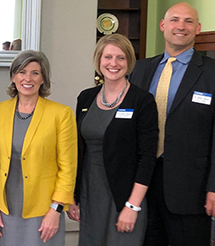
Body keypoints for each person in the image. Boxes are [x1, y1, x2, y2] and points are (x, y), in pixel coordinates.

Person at [129, 2, 215, 245]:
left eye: (188, 21)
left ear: (198, 28)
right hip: (142, 184)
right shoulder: (142, 69)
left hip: (192, 190)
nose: (181, 26)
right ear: (163, 25)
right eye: (175, 20)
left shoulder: (211, 73)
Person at [67, 33, 158, 246]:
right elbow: (77, 150)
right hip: (90, 196)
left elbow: (147, 158)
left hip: (124, 198)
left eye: (120, 58)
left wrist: (132, 206)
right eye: (107, 57)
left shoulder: (142, 101)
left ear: (129, 62)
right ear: (99, 61)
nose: (113, 64)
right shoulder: (86, 98)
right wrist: (73, 195)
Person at [0, 50, 77, 246]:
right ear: (13, 76)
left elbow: (68, 168)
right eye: (22, 72)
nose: (28, 78)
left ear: (43, 79)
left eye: (35, 73)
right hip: (5, 209)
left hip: (44, 211)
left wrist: (55, 210)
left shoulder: (61, 114)